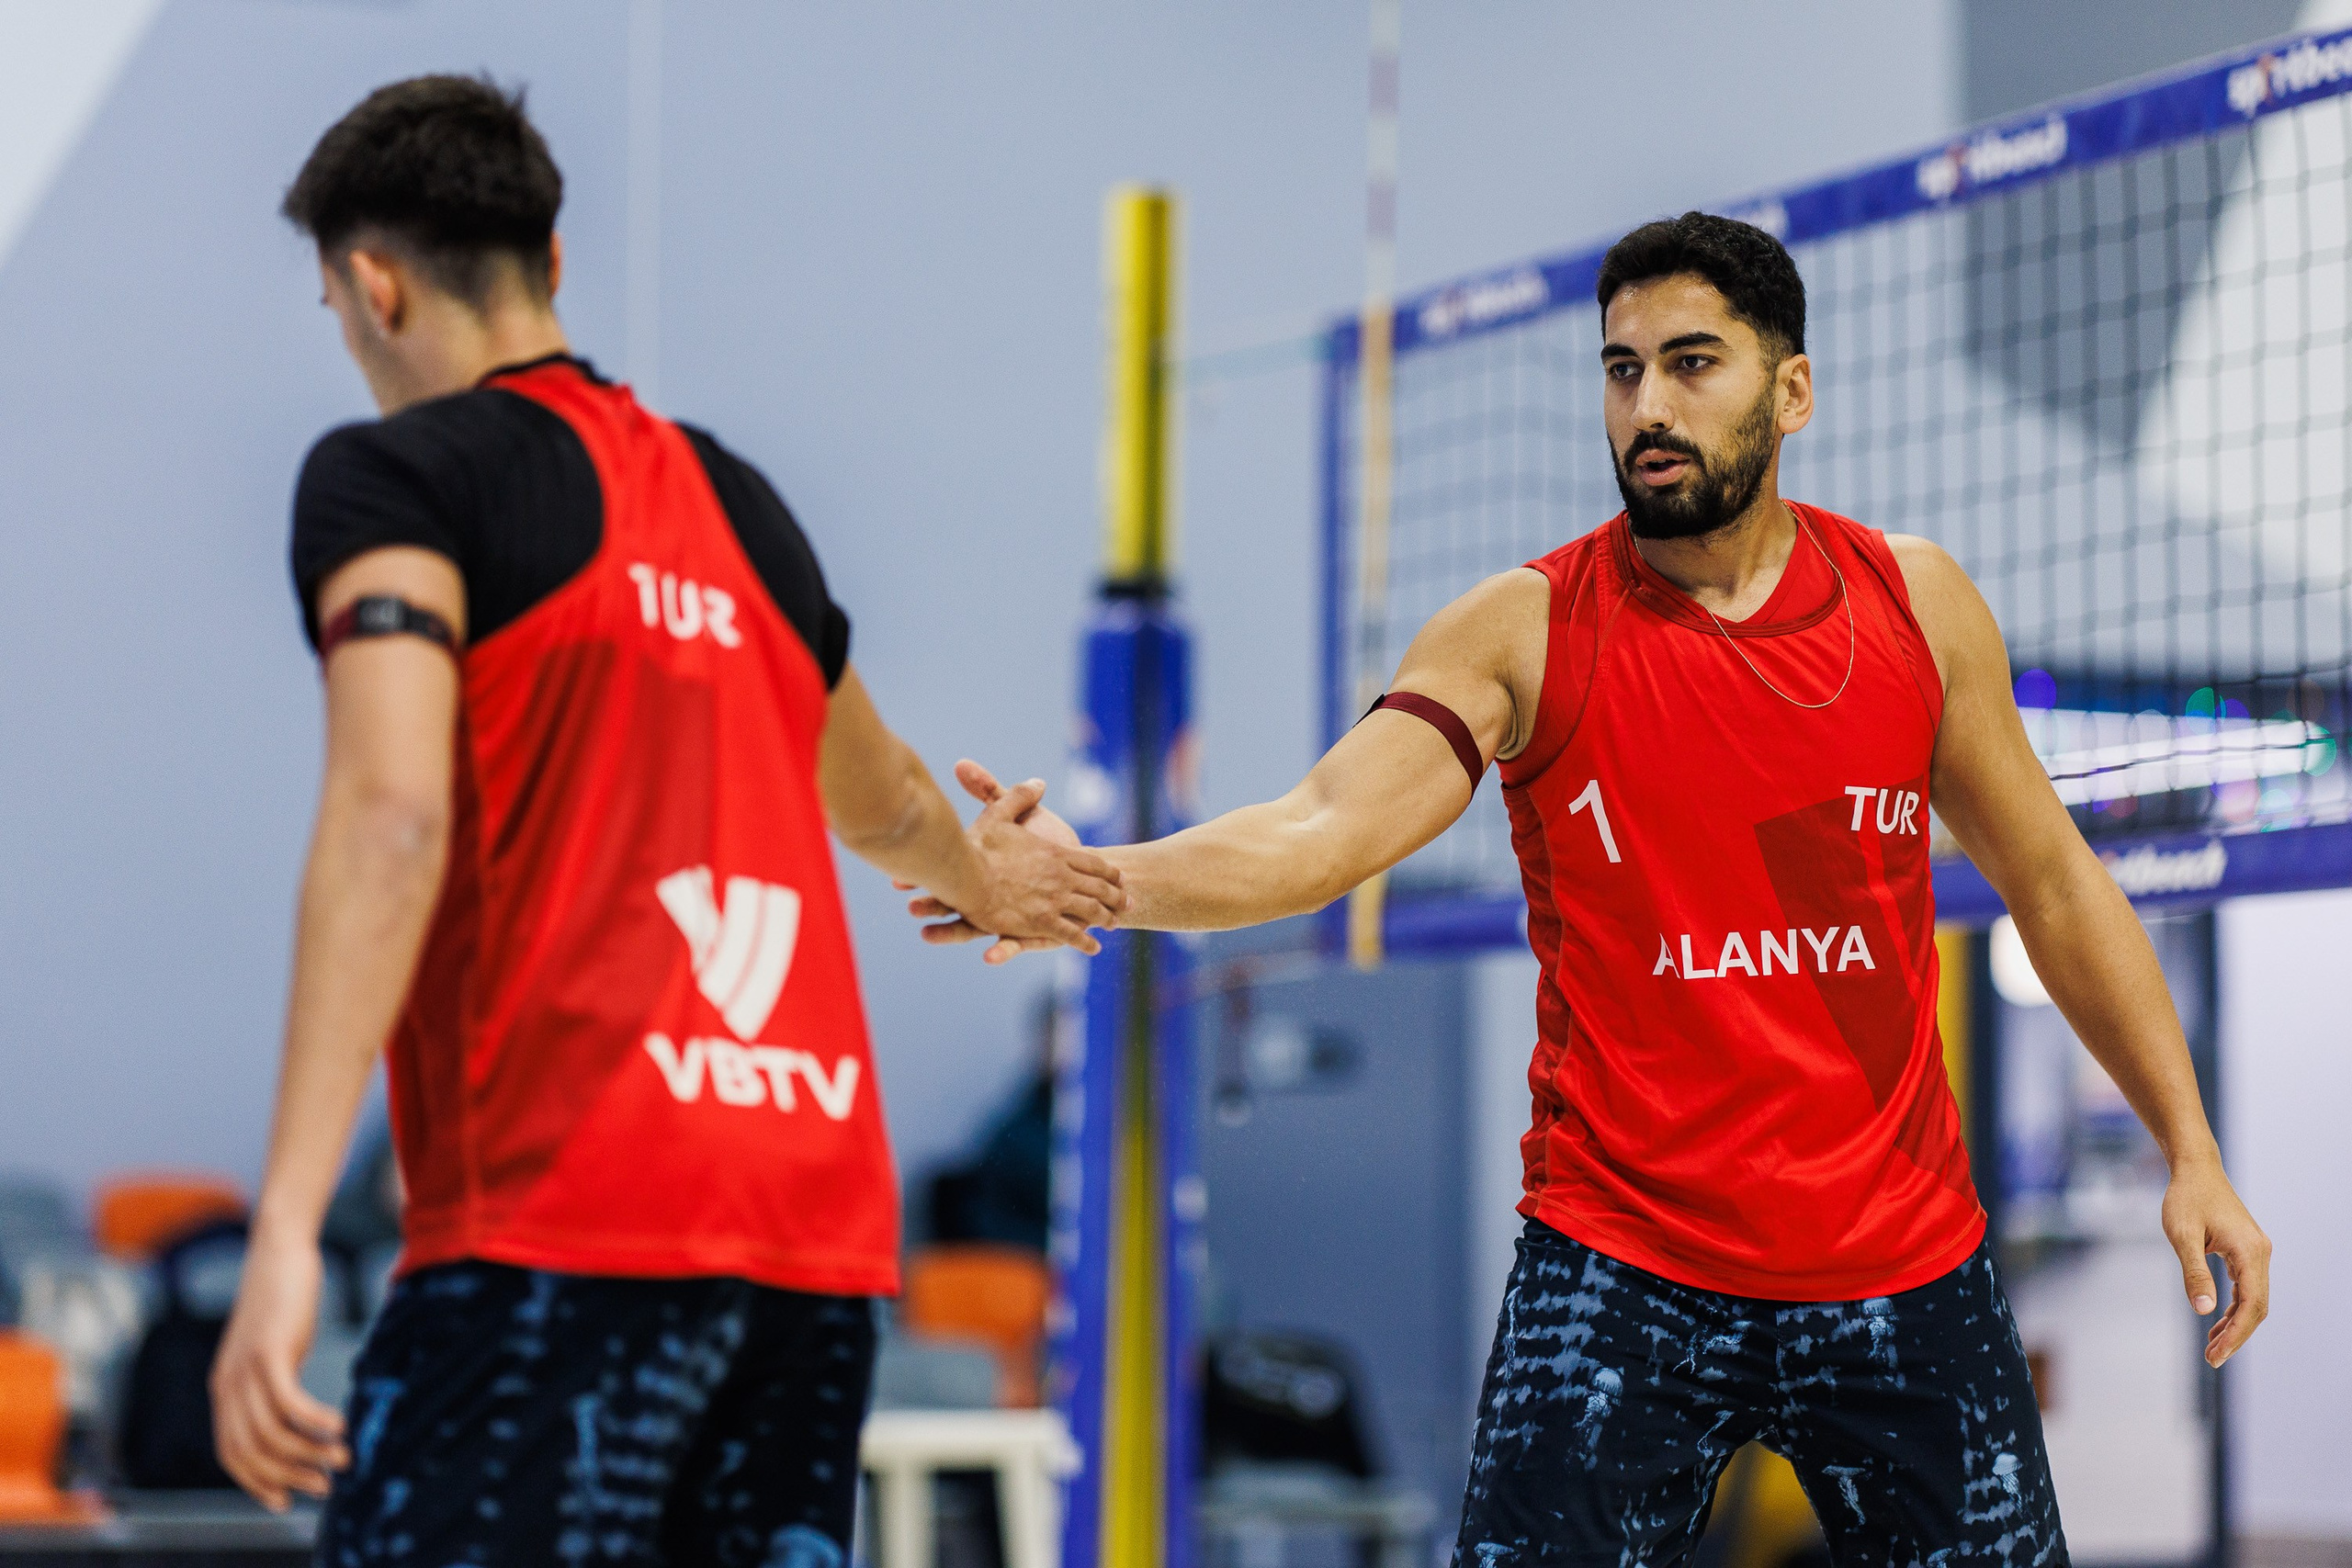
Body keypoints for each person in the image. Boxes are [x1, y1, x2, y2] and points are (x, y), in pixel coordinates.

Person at [925, 212, 2271, 1563]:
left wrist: (2190, 1149)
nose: (1650, 406)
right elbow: (1319, 827)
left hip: (1898, 1259)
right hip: (1624, 1265)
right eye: (1623, 371)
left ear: (1791, 390)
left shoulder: (1915, 606)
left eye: (1694, 363)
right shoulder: (1527, 627)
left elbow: (2053, 879)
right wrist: (1092, 879)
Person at [209, 74, 1124, 1564]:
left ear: (371, 289)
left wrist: (289, 1226)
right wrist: (996, 881)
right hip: (809, 1238)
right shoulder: (739, 503)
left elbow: (390, 817)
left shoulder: (394, 476)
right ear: (552, 262)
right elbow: (884, 795)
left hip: (568, 1217)